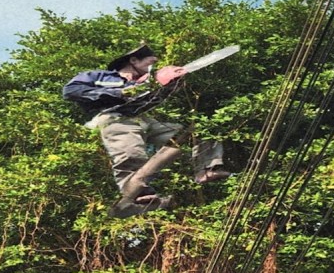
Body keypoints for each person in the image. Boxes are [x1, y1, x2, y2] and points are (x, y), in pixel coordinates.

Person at [63, 42, 231, 218]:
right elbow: (71, 91)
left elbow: (153, 100)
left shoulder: (146, 82)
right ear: (134, 60)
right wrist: (119, 93)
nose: (153, 66)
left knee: (198, 132)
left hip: (143, 119)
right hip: (114, 117)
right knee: (131, 153)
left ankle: (206, 169)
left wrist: (170, 85)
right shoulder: (101, 76)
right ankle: (139, 195)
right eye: (150, 62)